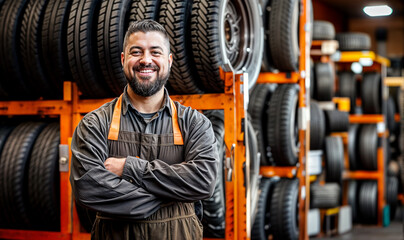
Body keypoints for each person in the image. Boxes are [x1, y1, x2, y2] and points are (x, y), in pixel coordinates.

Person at [70, 19, 219, 240]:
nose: (146, 60)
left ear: (169, 61)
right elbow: (88, 187)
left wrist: (130, 168)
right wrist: (171, 198)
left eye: (155, 52)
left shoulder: (194, 123)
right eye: (136, 52)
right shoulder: (95, 123)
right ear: (123, 60)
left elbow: (204, 181)